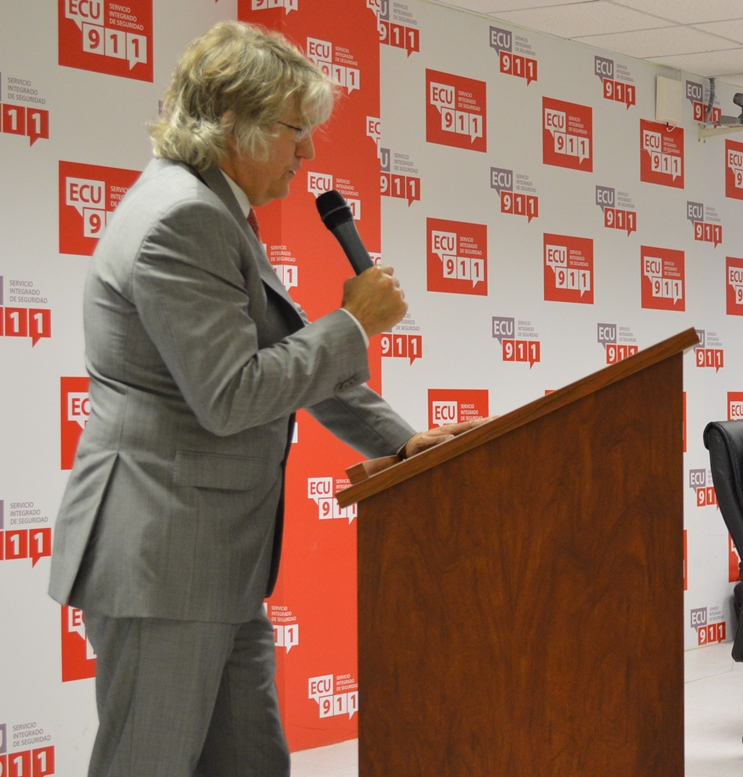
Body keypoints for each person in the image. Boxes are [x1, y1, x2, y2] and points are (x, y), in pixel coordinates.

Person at [47, 23, 485, 777]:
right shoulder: (182, 218)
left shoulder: (213, 211)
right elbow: (231, 393)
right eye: (294, 129)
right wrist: (354, 324)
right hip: (165, 565)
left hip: (208, 563)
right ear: (232, 124)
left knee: (251, 763)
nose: (306, 152)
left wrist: (400, 442)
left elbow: (280, 359)